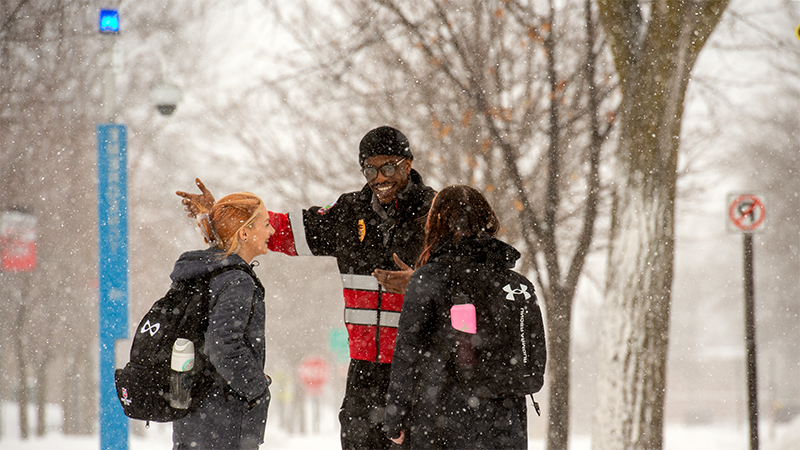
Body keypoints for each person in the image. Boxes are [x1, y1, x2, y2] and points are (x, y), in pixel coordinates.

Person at [177, 126, 437, 450]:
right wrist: (222, 216)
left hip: (421, 369)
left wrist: (421, 283)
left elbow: (472, 279)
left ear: (408, 165)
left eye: (388, 167)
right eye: (370, 168)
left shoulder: (436, 213)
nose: (379, 177)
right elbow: (279, 232)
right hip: (364, 375)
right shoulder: (349, 212)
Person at [383, 185, 530, 449]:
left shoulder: (428, 279)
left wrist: (395, 419)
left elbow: (407, 353)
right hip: (507, 421)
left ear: (437, 223)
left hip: (442, 419)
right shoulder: (515, 284)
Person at [171, 191, 274, 450]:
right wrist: (257, 389)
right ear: (244, 234)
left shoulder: (204, 271)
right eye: (265, 223)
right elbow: (222, 344)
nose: (271, 231)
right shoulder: (237, 280)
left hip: (195, 416)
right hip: (224, 421)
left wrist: (210, 216)